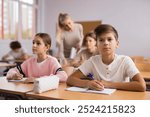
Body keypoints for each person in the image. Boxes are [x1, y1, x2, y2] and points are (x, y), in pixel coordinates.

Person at [67, 24, 146, 92]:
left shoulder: (125, 60)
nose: (105, 43)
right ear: (97, 45)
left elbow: (142, 86)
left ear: (117, 44)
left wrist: (109, 84)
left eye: (109, 39)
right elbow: (70, 79)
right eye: (101, 40)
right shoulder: (92, 61)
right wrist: (88, 83)